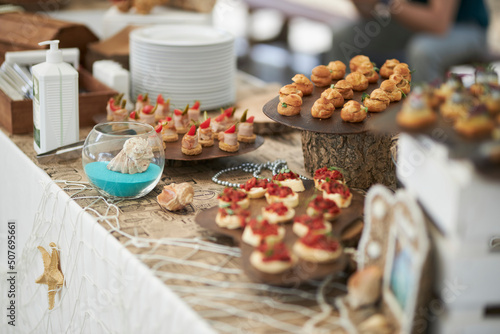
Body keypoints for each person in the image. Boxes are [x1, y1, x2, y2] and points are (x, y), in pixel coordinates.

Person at [327, 0, 490, 83]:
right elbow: (367, 12)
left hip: (466, 27)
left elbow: (438, 24)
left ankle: (425, 128)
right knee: (343, 36)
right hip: (415, 21)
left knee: (422, 50)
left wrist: (387, 1)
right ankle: (345, 111)